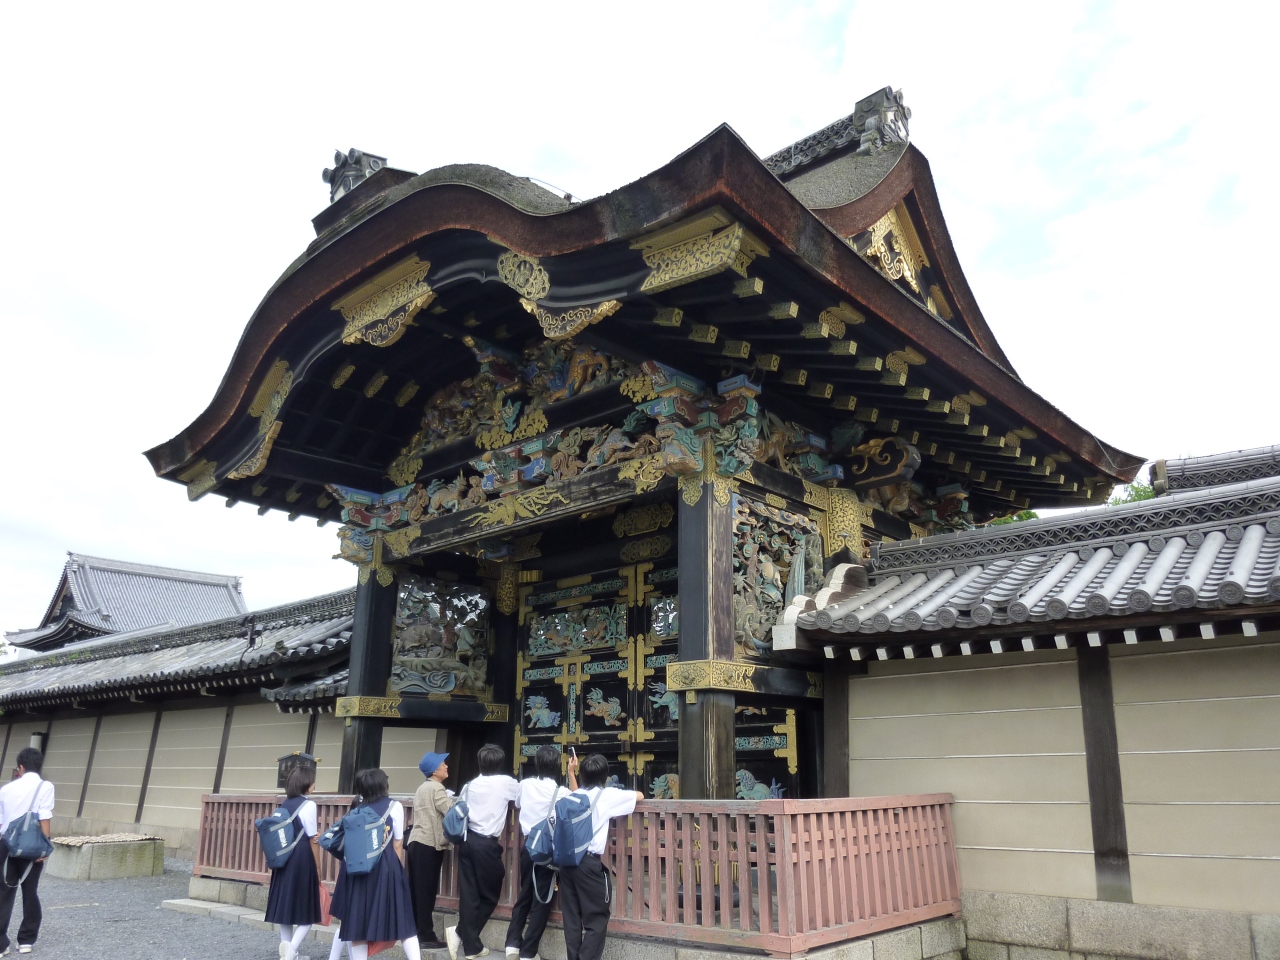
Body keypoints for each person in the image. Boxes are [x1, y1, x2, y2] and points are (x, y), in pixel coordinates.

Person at [557, 755, 644, 960]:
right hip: (588, 863)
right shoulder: (606, 795)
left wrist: (571, 773)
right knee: (597, 917)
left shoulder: (572, 797)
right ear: (604, 776)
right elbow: (638, 795)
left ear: (583, 774)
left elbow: (576, 792)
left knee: (571, 919)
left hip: (566, 862)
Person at [331, 768, 420, 960]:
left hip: (356, 869)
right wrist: (398, 872)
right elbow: (397, 843)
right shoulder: (393, 806)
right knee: (402, 921)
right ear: (382, 785)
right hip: (386, 866)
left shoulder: (356, 810)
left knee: (357, 923)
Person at [446, 744, 519, 960]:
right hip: (486, 844)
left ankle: (471, 946)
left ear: (480, 762)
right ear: (500, 763)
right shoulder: (505, 783)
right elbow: (522, 796)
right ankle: (464, 936)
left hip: (467, 840)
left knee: (469, 895)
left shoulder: (470, 784)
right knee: (490, 893)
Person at [504, 746, 572, 960]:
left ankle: (512, 944)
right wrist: (572, 773)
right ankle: (528, 951)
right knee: (542, 899)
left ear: (537, 764)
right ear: (558, 766)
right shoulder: (561, 792)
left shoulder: (524, 785)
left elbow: (517, 804)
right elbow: (578, 802)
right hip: (547, 851)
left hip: (527, 847)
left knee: (525, 892)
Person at [265, 765, 322, 960]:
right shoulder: (309, 805)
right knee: (309, 910)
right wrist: (318, 869)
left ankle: (288, 953)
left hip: (283, 859)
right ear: (307, 785)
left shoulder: (284, 804)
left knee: (286, 909)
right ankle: (291, 952)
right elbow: (313, 838)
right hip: (301, 858)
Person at [0, 747, 54, 957]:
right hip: (33, 846)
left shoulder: (5, 790)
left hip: (7, 844)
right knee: (30, 891)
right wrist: (45, 846)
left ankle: (1, 944)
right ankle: (26, 940)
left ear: (20, 767)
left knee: (4, 892)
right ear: (39, 766)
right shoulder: (45, 786)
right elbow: (44, 817)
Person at [406, 751, 456, 950]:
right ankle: (425, 935)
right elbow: (450, 811)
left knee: (416, 891)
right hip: (429, 844)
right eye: (443, 764)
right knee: (426, 892)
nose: (446, 766)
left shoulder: (422, 787)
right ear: (435, 770)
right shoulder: (437, 788)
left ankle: (414, 933)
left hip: (416, 842)